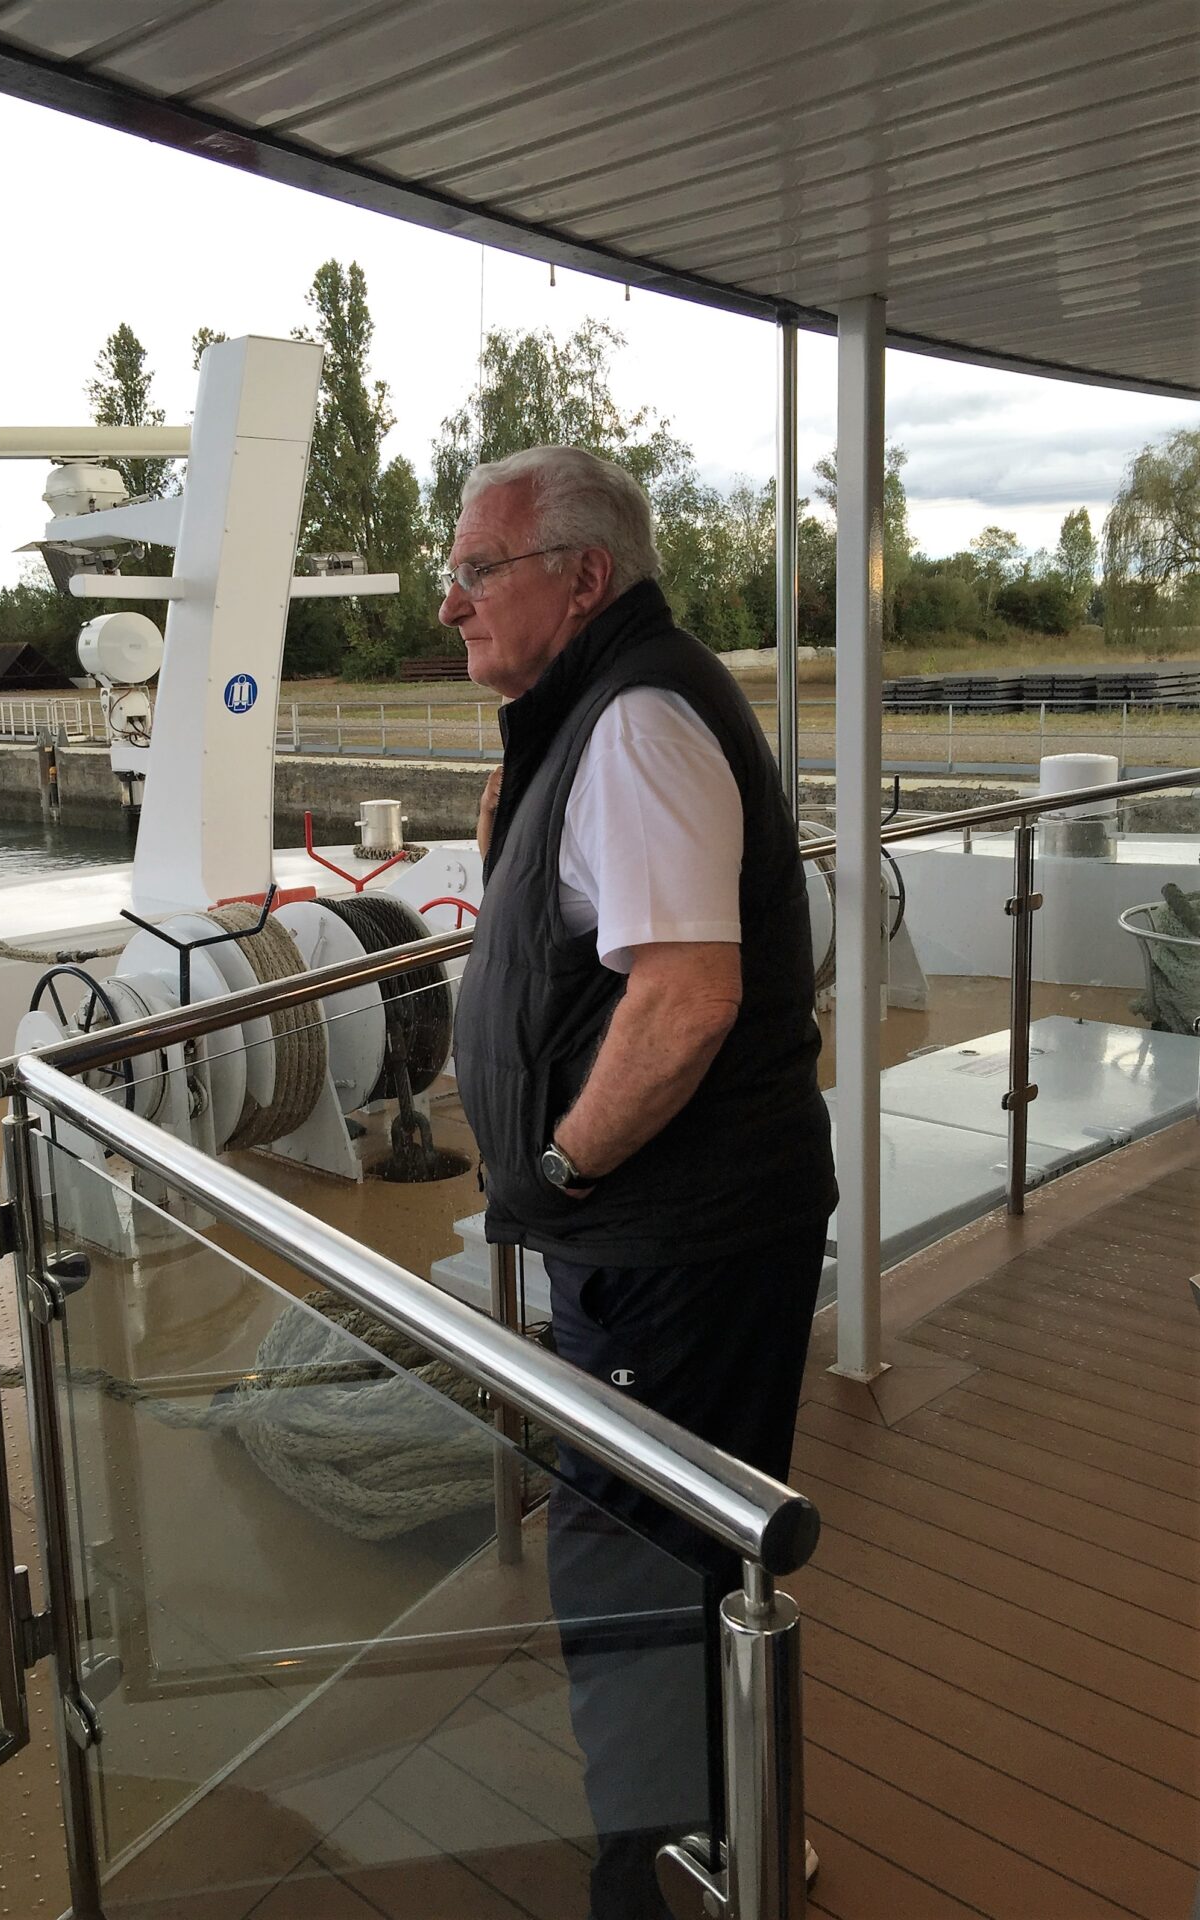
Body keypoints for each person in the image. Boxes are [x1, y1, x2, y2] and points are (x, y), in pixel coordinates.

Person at [442, 445, 835, 1920]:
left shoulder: (639, 724)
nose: (453, 604)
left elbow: (685, 1001)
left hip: (672, 1248)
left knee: (634, 1564)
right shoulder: (603, 713)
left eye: (481, 571)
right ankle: (725, 1835)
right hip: (670, 1239)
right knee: (679, 1554)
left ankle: (671, 1876)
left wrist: (551, 1167)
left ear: (584, 577)